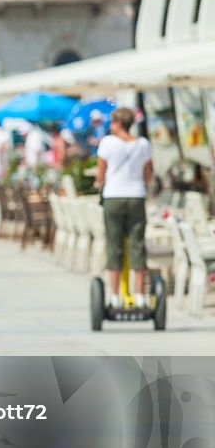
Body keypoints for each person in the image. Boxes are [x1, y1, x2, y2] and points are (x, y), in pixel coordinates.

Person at [95, 107, 153, 309]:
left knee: (114, 244)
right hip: (136, 196)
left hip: (113, 197)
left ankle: (114, 295)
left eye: (112, 122)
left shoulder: (108, 143)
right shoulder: (143, 144)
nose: (110, 126)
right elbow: (147, 174)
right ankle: (139, 295)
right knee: (137, 244)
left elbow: (100, 173)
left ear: (119, 123)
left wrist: (98, 182)